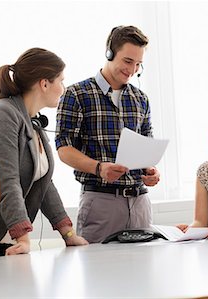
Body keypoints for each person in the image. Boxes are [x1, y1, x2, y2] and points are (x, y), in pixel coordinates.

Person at [55, 26, 160, 243]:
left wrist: (151, 171)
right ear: (109, 53)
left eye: (138, 64)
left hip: (140, 203)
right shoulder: (76, 94)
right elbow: (64, 149)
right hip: (100, 203)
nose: (132, 70)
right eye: (128, 61)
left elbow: (146, 146)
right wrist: (98, 168)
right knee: (99, 274)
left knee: (144, 275)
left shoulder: (141, 99)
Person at [0, 48, 88, 257]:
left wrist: (68, 234)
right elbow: (6, 180)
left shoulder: (32, 121)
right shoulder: (3, 114)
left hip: (3, 242)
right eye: (61, 81)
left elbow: (44, 183)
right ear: (44, 83)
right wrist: (23, 238)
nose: (63, 88)